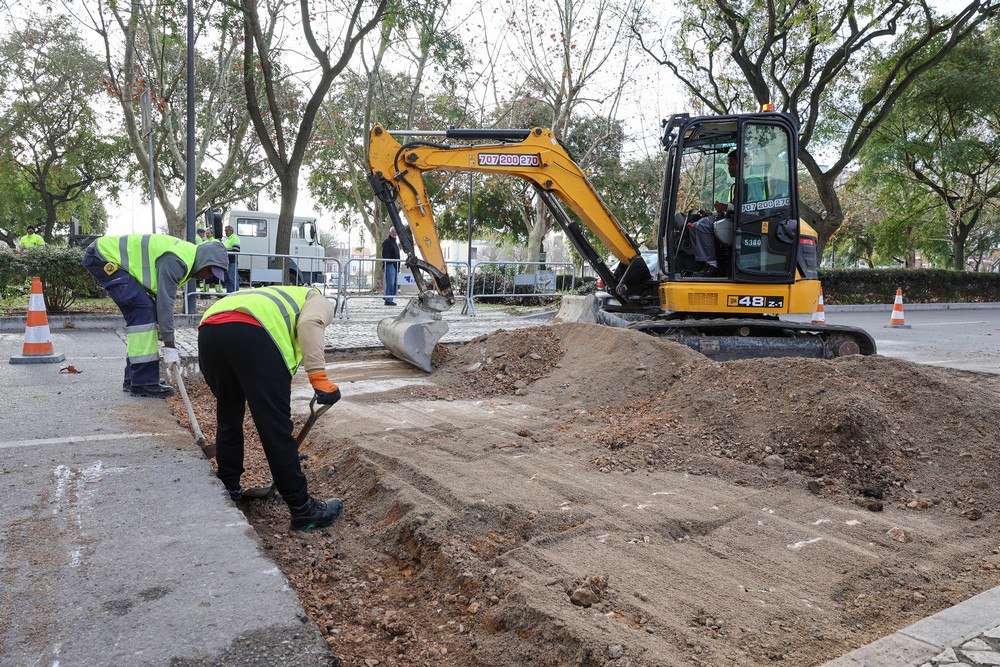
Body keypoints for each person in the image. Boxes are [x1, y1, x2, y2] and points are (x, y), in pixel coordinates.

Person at [198, 285, 343, 532]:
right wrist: (319, 379)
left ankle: (229, 486)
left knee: (229, 414)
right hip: (254, 334)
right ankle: (302, 510)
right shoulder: (317, 297)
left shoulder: (272, 294)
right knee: (274, 428)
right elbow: (310, 323)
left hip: (210, 332)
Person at [82, 233, 229, 398]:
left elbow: (161, 300)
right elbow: (166, 303)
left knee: (144, 314)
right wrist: (169, 345)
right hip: (102, 256)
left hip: (104, 255)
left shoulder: (186, 259)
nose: (206, 277)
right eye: (209, 271)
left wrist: (162, 328)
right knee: (142, 312)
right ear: (205, 259)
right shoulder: (178, 261)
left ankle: (135, 378)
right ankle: (143, 382)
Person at [690, 149, 738, 277]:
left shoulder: (751, 183)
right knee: (694, 225)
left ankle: (712, 264)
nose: (729, 168)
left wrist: (726, 207)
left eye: (732, 165)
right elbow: (730, 209)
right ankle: (704, 262)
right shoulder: (735, 185)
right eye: (728, 165)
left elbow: (746, 208)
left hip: (740, 223)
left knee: (703, 225)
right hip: (731, 218)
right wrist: (712, 213)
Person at [381, 227, 400, 305]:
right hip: (390, 265)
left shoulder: (395, 243)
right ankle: (388, 299)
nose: (394, 233)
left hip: (395, 265)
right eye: (393, 231)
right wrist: (389, 262)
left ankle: (387, 296)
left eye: (395, 232)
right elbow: (385, 254)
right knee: (391, 283)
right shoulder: (387, 242)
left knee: (396, 283)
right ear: (389, 232)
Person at [222, 224, 241, 292]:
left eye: (227, 231)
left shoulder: (235, 238)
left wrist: (224, 250)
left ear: (231, 231)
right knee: (227, 278)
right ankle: (229, 292)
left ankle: (235, 293)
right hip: (227, 262)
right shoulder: (227, 240)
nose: (225, 232)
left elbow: (236, 250)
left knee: (232, 278)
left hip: (232, 261)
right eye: (225, 231)